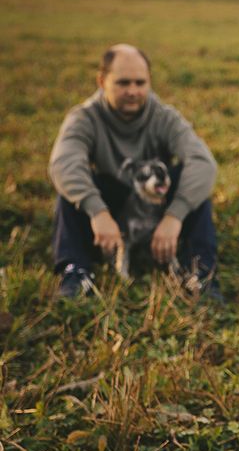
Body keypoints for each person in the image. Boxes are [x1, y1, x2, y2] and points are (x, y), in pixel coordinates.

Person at [49, 43, 222, 300]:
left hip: (157, 205)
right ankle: (76, 272)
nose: (133, 91)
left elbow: (203, 162)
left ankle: (201, 274)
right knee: (70, 194)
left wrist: (175, 216)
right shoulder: (84, 118)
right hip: (112, 202)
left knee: (194, 185)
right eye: (123, 83)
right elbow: (63, 163)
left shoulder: (164, 117)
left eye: (140, 83)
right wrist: (98, 212)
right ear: (101, 80)